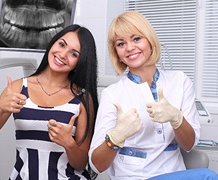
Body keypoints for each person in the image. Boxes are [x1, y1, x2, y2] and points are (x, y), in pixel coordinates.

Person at [88, 11, 218, 179]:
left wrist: (176, 118)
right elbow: (97, 165)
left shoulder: (180, 81)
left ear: (150, 40)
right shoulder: (112, 94)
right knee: (207, 177)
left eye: (136, 39)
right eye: (121, 44)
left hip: (174, 173)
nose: (129, 48)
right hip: (133, 176)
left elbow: (189, 144)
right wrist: (116, 137)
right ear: (117, 53)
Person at [0, 24, 99, 179]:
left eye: (74, 54)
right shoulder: (18, 87)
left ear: (80, 62)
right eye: (61, 44)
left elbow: (80, 164)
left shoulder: (82, 98)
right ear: (53, 42)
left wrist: (69, 143)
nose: (62, 54)